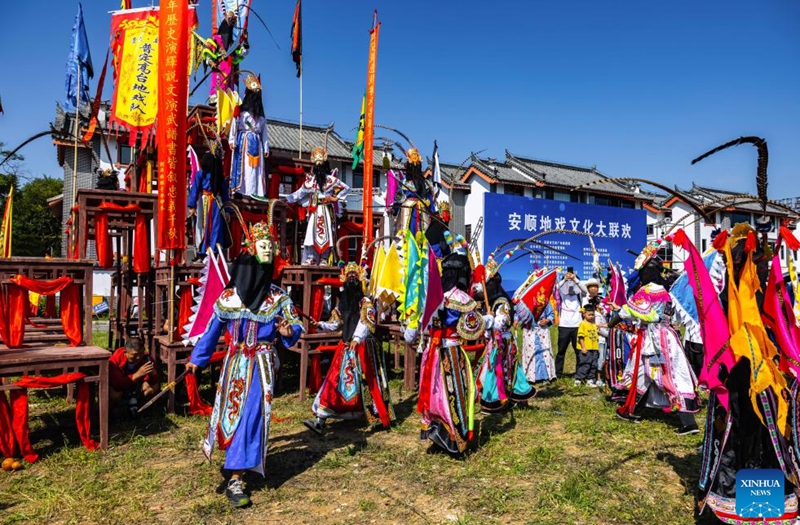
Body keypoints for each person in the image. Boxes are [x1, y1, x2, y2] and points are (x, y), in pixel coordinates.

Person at [186, 221, 303, 508]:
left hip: (261, 366)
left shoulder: (277, 297)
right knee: (231, 415)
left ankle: (236, 476)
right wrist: (196, 360)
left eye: (270, 250)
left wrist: (289, 332)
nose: (268, 254)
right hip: (233, 364)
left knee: (251, 415)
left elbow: (295, 325)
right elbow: (212, 331)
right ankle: (239, 461)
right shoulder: (230, 297)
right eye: (262, 249)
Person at [609, 258, 699, 433]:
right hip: (668, 336)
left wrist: (610, 323)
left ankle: (688, 422)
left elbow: (628, 310)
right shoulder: (668, 290)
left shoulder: (646, 291)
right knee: (645, 373)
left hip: (654, 338)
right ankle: (633, 410)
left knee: (668, 376)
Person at [303, 262, 394, 434]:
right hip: (345, 348)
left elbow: (366, 321)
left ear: (360, 279)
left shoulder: (365, 301)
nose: (352, 278)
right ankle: (320, 418)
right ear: (344, 280)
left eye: (355, 276)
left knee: (368, 382)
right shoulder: (342, 302)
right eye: (349, 276)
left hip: (363, 347)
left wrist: (358, 338)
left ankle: (375, 414)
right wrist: (321, 324)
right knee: (335, 382)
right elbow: (337, 323)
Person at [416, 241, 486, 453]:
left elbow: (423, 324)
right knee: (454, 391)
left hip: (432, 351)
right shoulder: (462, 298)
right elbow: (472, 330)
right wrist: (490, 320)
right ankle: (454, 435)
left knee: (433, 390)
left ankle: (434, 427)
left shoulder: (434, 295)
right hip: (452, 350)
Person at [475, 273, 537, 412]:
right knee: (496, 370)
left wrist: (488, 319)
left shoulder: (502, 302)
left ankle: (497, 400)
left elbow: (502, 322)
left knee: (499, 370)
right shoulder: (496, 301)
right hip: (497, 341)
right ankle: (502, 397)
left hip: (502, 342)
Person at [286, 145, 350, 265]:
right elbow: (298, 194)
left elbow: (346, 188)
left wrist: (334, 198)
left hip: (326, 209)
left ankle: (325, 258)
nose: (319, 167)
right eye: (317, 165)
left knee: (327, 232)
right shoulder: (310, 181)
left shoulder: (331, 180)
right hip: (314, 210)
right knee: (311, 233)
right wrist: (285, 199)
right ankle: (312, 257)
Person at [229, 74, 269, 197]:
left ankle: (254, 192)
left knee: (254, 170)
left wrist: (266, 147)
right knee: (244, 167)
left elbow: (264, 133)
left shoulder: (261, 117)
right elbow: (234, 125)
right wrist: (232, 140)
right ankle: (240, 191)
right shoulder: (240, 112)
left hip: (256, 144)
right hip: (243, 142)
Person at [188, 148, 230, 255]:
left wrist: (192, 205)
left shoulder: (204, 174)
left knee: (209, 224)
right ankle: (208, 248)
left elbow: (195, 190)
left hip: (209, 201)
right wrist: (228, 209)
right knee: (209, 225)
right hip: (214, 202)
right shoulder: (210, 175)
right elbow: (225, 194)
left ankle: (208, 248)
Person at [109, 336, 160, 417]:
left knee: (153, 387)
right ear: (126, 352)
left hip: (137, 387)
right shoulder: (115, 359)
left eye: (141, 353)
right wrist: (137, 375)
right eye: (135, 354)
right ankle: (110, 413)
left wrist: (153, 374)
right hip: (121, 387)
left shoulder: (147, 358)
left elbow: (155, 381)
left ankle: (142, 409)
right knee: (114, 394)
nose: (138, 357)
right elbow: (116, 384)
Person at [515, 288, 557, 385]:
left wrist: (547, 320)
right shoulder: (524, 300)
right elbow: (518, 312)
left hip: (542, 330)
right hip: (529, 329)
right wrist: (516, 319)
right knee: (530, 352)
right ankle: (530, 376)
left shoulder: (544, 300)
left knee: (544, 351)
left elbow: (551, 314)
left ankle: (545, 376)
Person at [555, 268, 588, 377]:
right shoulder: (562, 293)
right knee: (561, 351)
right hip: (564, 325)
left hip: (577, 325)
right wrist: (564, 279)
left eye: (572, 283)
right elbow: (556, 287)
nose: (570, 286)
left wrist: (575, 279)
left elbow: (585, 290)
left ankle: (579, 374)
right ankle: (558, 374)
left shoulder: (580, 294)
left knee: (578, 351)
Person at [574, 305, 600, 387]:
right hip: (586, 348)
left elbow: (596, 337)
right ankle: (578, 379)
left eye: (593, 315)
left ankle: (590, 380)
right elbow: (581, 336)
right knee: (585, 364)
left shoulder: (593, 325)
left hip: (594, 348)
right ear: (584, 314)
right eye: (590, 315)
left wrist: (597, 348)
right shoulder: (583, 324)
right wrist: (583, 347)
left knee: (593, 365)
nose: (591, 317)